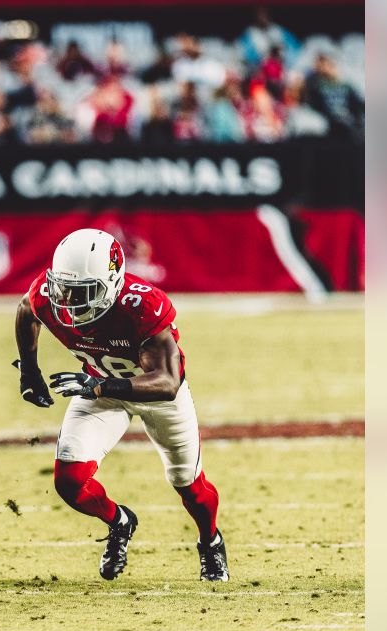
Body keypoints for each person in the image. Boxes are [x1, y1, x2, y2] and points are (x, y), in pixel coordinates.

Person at [12, 228, 227, 582]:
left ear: (112, 283)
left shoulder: (142, 306)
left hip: (152, 396)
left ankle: (210, 542)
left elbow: (167, 382)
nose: (70, 302)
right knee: (69, 481)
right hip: (100, 388)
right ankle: (119, 521)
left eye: (84, 292)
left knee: (188, 483)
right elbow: (26, 309)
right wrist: (29, 371)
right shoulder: (48, 294)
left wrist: (99, 385)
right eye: (66, 289)